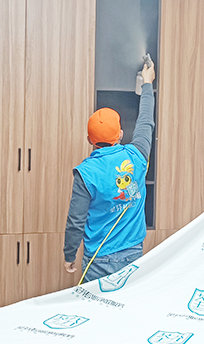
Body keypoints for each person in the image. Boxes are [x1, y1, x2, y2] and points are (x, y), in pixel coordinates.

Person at [64, 59, 156, 282]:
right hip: (133, 254)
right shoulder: (137, 156)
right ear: (121, 134)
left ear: (89, 140)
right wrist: (147, 84)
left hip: (98, 259)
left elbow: (76, 220)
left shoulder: (86, 173)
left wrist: (69, 255)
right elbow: (146, 121)